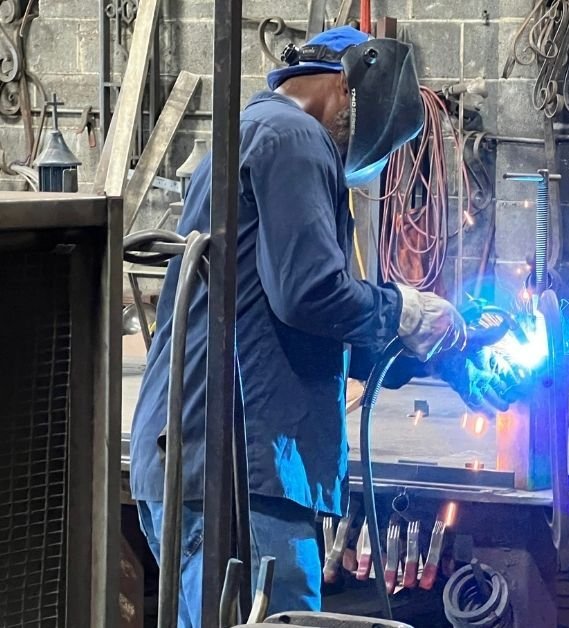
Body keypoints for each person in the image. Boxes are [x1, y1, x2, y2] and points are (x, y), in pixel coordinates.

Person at [129, 26, 520, 626]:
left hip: (201, 462)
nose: (351, 160)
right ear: (346, 84)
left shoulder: (254, 130)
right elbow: (311, 293)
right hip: (241, 467)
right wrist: (409, 309)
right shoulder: (294, 136)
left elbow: (297, 317)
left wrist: (442, 352)